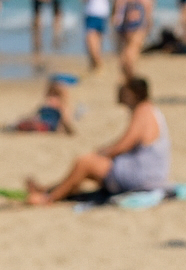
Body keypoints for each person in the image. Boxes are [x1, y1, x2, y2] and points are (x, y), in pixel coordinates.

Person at [26, 76, 170, 205]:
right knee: (87, 166)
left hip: (142, 178)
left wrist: (104, 152)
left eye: (122, 90)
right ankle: (49, 189)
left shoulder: (142, 112)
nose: (119, 92)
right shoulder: (150, 110)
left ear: (131, 94)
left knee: (84, 163)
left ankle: (49, 198)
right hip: (150, 175)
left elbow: (123, 146)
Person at [111, 0, 155, 79]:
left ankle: (126, 76)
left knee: (124, 51)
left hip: (123, 24)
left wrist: (114, 22)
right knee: (133, 50)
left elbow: (116, 9)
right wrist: (149, 23)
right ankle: (131, 75)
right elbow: (148, 5)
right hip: (136, 23)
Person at [79, 0, 119, 72]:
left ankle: (96, 61)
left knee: (90, 36)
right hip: (104, 11)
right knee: (99, 37)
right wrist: (114, 10)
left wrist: (85, 0)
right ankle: (96, 59)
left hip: (91, 9)